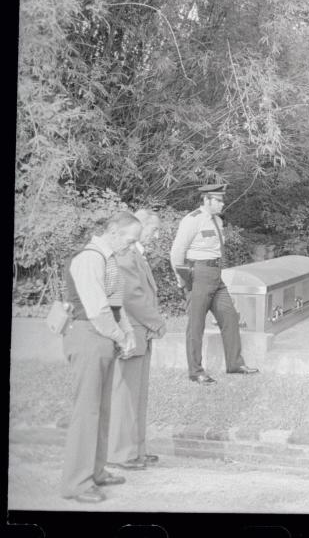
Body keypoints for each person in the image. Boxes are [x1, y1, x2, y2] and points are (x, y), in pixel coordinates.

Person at [60, 211, 141, 503]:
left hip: (102, 337)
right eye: (130, 241)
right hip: (87, 335)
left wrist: (127, 333)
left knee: (102, 410)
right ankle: (76, 484)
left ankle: (95, 472)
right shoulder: (90, 258)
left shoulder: (109, 259)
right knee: (87, 412)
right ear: (113, 231)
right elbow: (97, 310)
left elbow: (116, 305)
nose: (132, 247)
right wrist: (120, 337)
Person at [170, 183, 258, 383]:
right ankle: (196, 371)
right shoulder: (192, 220)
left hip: (216, 274)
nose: (222, 204)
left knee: (230, 317)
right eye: (218, 200)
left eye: (222, 200)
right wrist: (181, 279)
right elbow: (177, 252)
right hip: (198, 273)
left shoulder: (218, 220)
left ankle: (235, 363)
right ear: (206, 200)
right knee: (196, 325)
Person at [107, 209, 166, 471]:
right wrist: (156, 322)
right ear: (140, 226)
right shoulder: (126, 255)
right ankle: (121, 453)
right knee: (125, 395)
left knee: (137, 395)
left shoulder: (135, 254)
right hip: (132, 331)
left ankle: (137, 449)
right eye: (154, 229)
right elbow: (131, 297)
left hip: (141, 332)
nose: (156, 234)